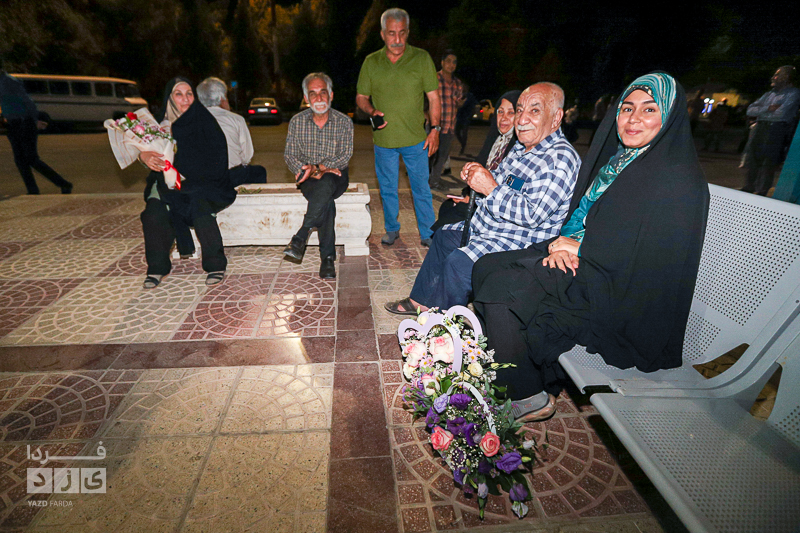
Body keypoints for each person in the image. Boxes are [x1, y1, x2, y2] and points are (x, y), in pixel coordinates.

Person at [471, 72, 709, 423]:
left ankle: (527, 394)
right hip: (586, 254)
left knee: (502, 291)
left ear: (670, 116)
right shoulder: (620, 161)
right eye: (627, 108)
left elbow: (656, 254)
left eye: (649, 109)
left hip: (618, 283)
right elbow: (590, 216)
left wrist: (581, 248)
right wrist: (568, 244)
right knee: (486, 265)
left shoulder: (679, 178)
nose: (633, 119)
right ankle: (522, 369)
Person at [384, 82, 580, 315]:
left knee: (458, 263)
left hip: (519, 241)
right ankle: (422, 301)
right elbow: (497, 180)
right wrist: (477, 175)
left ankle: (445, 325)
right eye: (519, 110)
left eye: (534, 110)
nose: (521, 119)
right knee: (444, 236)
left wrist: (490, 187)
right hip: (491, 227)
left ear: (556, 118)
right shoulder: (522, 147)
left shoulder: (559, 158)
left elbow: (532, 215)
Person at [138, 77, 236, 289]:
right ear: (169, 98)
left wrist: (188, 175)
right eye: (179, 94)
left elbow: (218, 159)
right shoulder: (159, 126)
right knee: (153, 212)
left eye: (189, 93)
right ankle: (157, 267)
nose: (185, 99)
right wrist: (144, 157)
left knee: (199, 205)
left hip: (204, 181)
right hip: (166, 182)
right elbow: (147, 152)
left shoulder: (204, 120)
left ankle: (215, 265)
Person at [356, 7, 440, 247]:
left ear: (408, 32)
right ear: (383, 34)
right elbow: (361, 97)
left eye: (402, 33)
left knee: (421, 188)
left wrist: (435, 130)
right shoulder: (371, 62)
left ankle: (427, 233)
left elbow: (434, 98)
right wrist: (371, 110)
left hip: (416, 140)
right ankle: (392, 229)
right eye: (392, 33)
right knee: (387, 189)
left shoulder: (422, 58)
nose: (397, 39)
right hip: (384, 141)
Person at [283, 72, 354, 280]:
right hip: (309, 179)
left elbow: (345, 156)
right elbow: (289, 155)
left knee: (328, 182)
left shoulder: (344, 122)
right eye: (313, 94)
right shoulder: (297, 122)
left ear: (331, 95)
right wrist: (314, 170)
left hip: (337, 177)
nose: (319, 98)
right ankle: (327, 259)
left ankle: (301, 235)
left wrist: (319, 167)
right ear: (306, 98)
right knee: (325, 200)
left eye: (323, 92)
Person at [431, 89, 521, 233]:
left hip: (498, 206)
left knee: (450, 220)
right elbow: (481, 164)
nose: (503, 118)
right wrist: (468, 183)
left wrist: (473, 200)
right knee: (447, 206)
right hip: (479, 197)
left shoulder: (520, 147)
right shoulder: (497, 140)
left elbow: (511, 187)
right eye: (500, 112)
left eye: (511, 113)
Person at [0, 64, 73, 195]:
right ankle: (33, 190)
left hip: (24, 122)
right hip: (13, 123)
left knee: (31, 158)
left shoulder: (9, 81)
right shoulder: (3, 82)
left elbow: (27, 101)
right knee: (20, 160)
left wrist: (33, 120)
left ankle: (63, 183)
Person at [196, 77, 267, 187]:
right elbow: (247, 157)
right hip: (230, 175)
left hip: (202, 177)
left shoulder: (191, 120)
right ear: (222, 98)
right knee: (260, 171)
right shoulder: (236, 119)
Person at [741, 66, 800, 195]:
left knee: (768, 161)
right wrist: (768, 108)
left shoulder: (794, 93)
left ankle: (762, 190)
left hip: (776, 129)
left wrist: (762, 111)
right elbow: (750, 110)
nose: (773, 78)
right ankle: (749, 187)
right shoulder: (769, 94)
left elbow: (781, 114)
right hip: (760, 127)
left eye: (777, 75)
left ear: (787, 77)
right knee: (753, 158)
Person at [428, 50, 465, 191]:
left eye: (454, 62)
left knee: (442, 156)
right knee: (429, 155)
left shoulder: (457, 83)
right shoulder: (433, 78)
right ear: (442, 62)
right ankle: (423, 182)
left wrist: (460, 103)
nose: (451, 64)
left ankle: (434, 181)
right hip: (434, 125)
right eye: (448, 61)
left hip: (449, 125)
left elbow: (457, 102)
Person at [455, 89, 478, 155]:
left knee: (464, 132)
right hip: (460, 117)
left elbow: (472, 105)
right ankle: (463, 144)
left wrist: (471, 114)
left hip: (466, 116)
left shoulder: (469, 96)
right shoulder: (459, 95)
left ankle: (463, 148)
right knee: (457, 131)